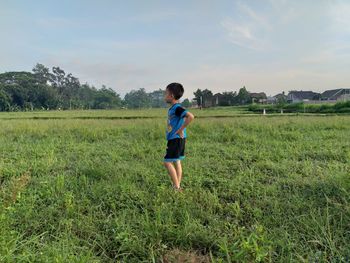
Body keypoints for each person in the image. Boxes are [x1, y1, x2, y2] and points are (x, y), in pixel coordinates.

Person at [163, 83, 194, 191]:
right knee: (177, 161)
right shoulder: (173, 108)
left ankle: (176, 187)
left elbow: (190, 116)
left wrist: (180, 129)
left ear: (171, 95)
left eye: (166, 93)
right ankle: (177, 185)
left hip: (175, 139)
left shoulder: (177, 108)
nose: (164, 95)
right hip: (177, 139)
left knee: (167, 162)